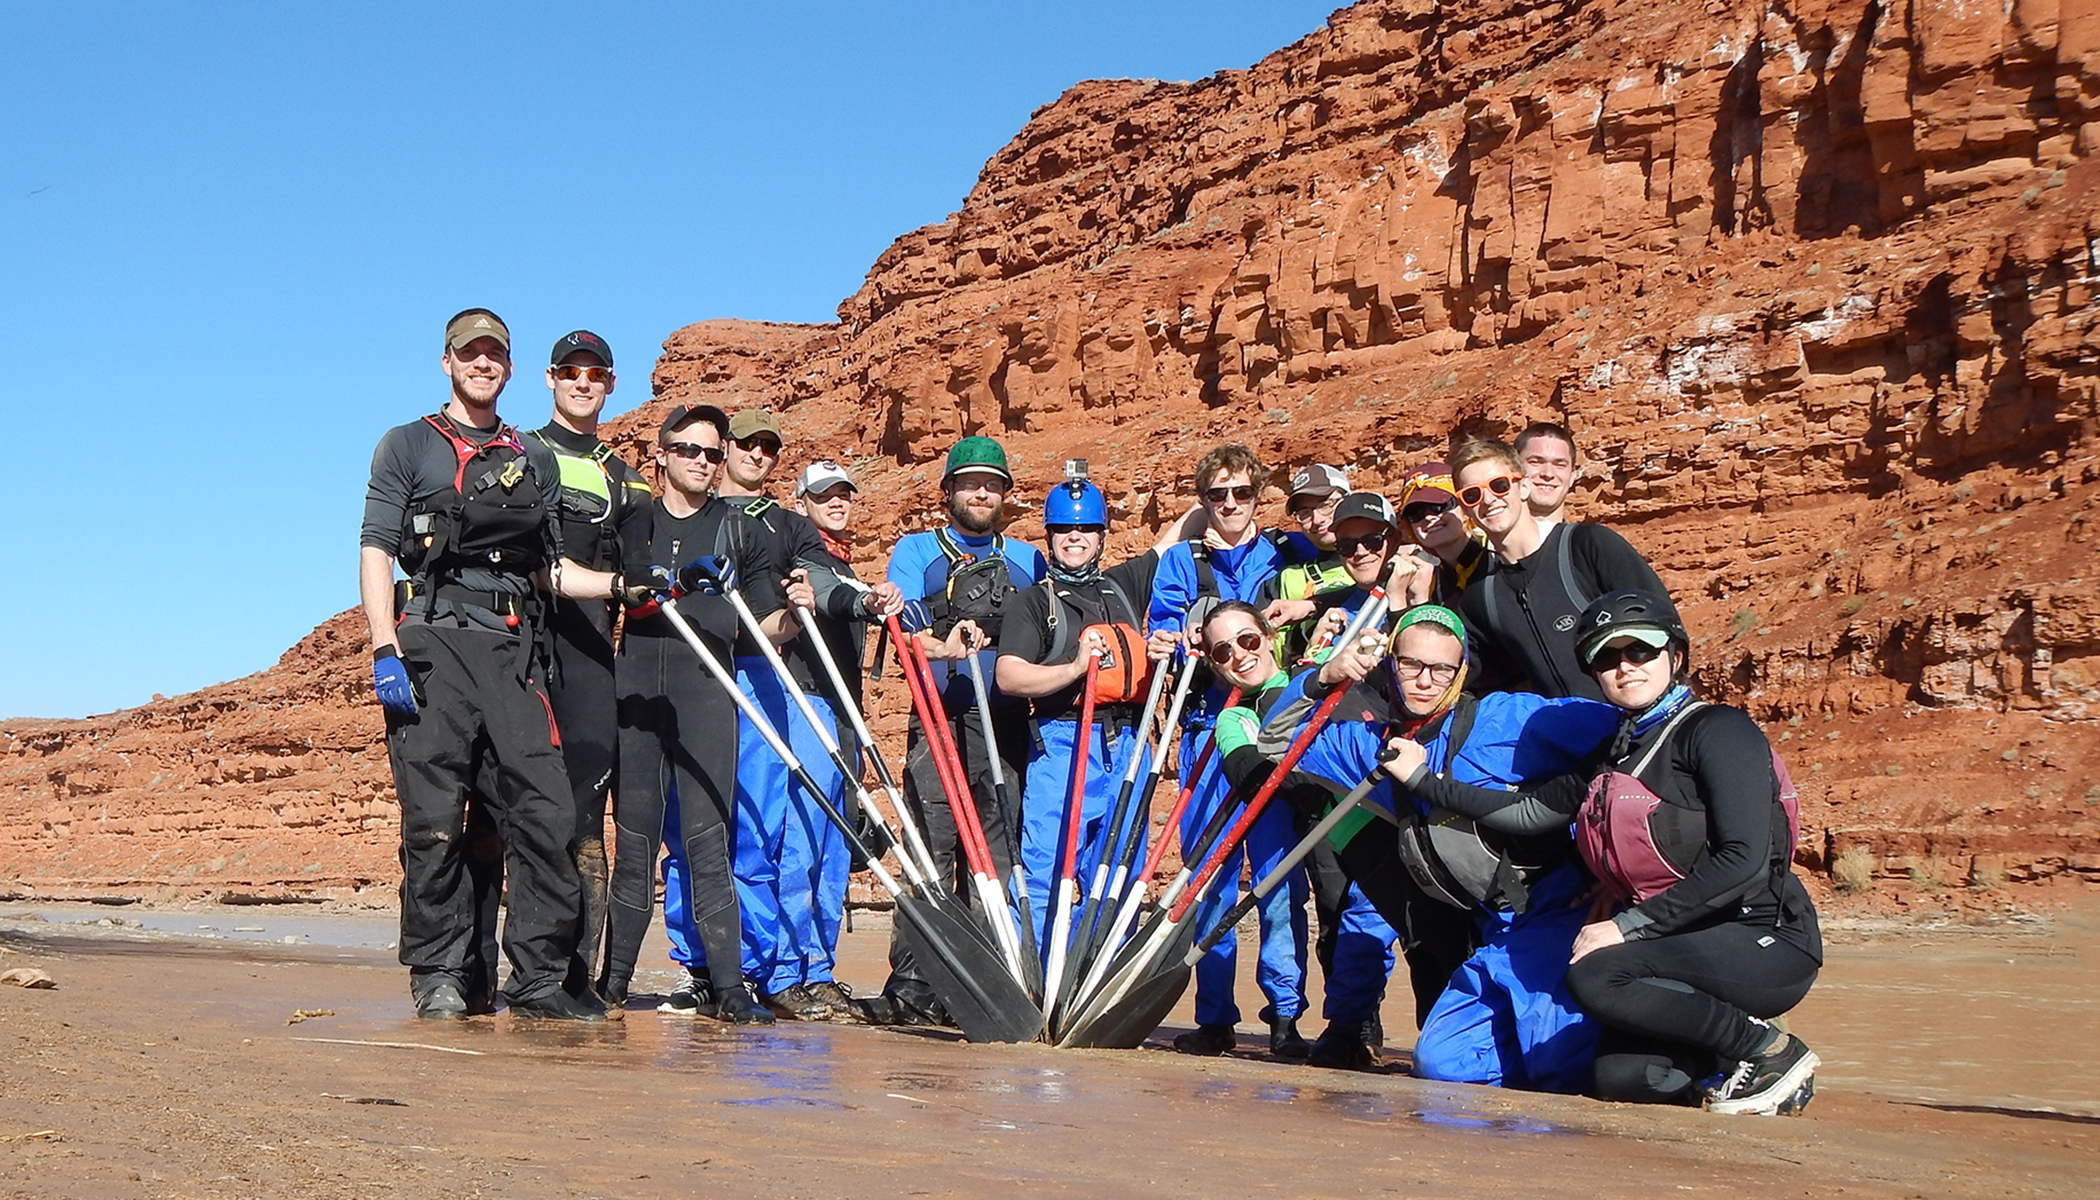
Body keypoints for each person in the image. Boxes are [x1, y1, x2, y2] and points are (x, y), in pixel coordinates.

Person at [1385, 591, 1823, 1113]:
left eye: (1640, 650)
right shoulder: (1616, 748)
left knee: (1596, 973)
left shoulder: (1718, 731)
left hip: (1761, 937)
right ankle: (1721, 1051)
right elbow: (1527, 813)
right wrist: (1423, 781)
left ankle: (1770, 1049)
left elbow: (1744, 860)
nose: (1625, 665)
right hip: (1676, 942)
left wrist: (1625, 926)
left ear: (1674, 656)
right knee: (1623, 1078)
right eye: (1607, 656)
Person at [359, 308, 625, 1022]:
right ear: (447, 362)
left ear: (507, 369)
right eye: (470, 354)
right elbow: (377, 547)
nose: (483, 364)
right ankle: (440, 973)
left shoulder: (530, 457)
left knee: (544, 811)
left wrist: (622, 588)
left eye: (494, 356)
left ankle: (537, 978)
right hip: (431, 642)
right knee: (436, 818)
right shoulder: (407, 444)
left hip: (512, 648)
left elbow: (551, 572)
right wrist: (384, 645)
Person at [1303, 605, 1619, 1092]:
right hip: (1494, 929)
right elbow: (1281, 739)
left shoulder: (1508, 719)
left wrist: (1612, 865)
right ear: (1391, 666)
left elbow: (1634, 731)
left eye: (1441, 669)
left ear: (1461, 672)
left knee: (1558, 1066)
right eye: (1411, 665)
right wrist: (1321, 676)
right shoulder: (1372, 746)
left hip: (1557, 911)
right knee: (1441, 1063)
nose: (1425, 681)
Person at [1264, 492, 1467, 1069]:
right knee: (1342, 905)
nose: (1359, 551)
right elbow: (1296, 701)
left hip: (1419, 778)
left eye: (1371, 541)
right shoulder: (1337, 610)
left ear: (1393, 540)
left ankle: (1433, 1033)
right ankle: (1353, 1023)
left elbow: (1431, 664)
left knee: (1410, 915)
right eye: (1347, 543)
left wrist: (1406, 606)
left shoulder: (1428, 593)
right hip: (1343, 775)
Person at [597, 403, 781, 1026]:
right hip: (638, 699)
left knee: (708, 843)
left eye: (711, 451)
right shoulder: (636, 519)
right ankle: (612, 983)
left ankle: (728, 987)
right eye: (688, 450)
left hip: (706, 698)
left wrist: (805, 608)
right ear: (663, 456)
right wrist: (672, 582)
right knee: (636, 845)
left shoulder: (738, 528)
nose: (701, 461)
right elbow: (618, 589)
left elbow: (765, 626)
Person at [663, 407, 843, 1021]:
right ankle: (697, 963)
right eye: (747, 444)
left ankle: (756, 967)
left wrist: (802, 610)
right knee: (692, 829)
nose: (758, 455)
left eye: (771, 447)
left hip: (758, 675)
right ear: (721, 448)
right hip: (688, 675)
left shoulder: (788, 525)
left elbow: (816, 576)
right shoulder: (686, 516)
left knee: (760, 833)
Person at [862, 436, 1045, 1025]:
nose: (981, 492)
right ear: (947, 492)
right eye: (968, 483)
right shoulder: (916, 551)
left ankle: (984, 981)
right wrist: (945, 645)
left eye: (992, 483)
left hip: (1006, 723)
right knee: (933, 848)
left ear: (1005, 495)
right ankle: (915, 984)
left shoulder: (1028, 559)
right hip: (938, 720)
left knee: (995, 851)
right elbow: (904, 626)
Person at [1146, 445, 1307, 1057]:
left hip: (1275, 727)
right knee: (1208, 877)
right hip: (1207, 734)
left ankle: (1285, 1018)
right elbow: (1162, 621)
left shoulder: (1289, 555)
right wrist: (1173, 633)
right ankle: (1214, 1017)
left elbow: (1358, 568)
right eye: (1218, 495)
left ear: (1257, 495)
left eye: (1242, 493)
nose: (1231, 505)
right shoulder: (1183, 564)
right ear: (1205, 500)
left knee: (1277, 879)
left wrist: (1308, 606)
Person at [525, 330, 652, 996]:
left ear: (609, 384)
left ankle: (577, 978)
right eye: (569, 371)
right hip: (519, 651)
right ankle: (479, 975)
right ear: (549, 379)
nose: (582, 382)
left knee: (583, 818)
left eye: (594, 373)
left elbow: (647, 574)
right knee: (505, 812)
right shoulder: (519, 452)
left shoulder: (623, 476)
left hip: (590, 661)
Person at [993, 475, 1164, 953]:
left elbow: (1178, 536)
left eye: (1087, 528)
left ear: (1101, 535)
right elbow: (1009, 676)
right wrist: (1073, 668)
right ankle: (1038, 974)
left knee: (1117, 871)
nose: (1076, 537)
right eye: (1065, 529)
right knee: (1050, 865)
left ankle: (1098, 972)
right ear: (1048, 535)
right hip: (1064, 742)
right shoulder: (1032, 603)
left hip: (1127, 745)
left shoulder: (1123, 586)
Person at [779, 460, 905, 1017]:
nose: (836, 502)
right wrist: (865, 603)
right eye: (824, 495)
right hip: (808, 706)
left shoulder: (845, 562)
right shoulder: (803, 558)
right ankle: (787, 970)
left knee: (834, 847)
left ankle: (817, 967)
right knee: (804, 841)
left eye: (843, 495)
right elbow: (828, 595)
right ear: (801, 500)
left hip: (843, 714)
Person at [1171, 601, 1313, 1058]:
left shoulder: (1303, 686)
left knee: (1278, 892)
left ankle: (1285, 1017)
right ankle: (1214, 1020)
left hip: (1281, 786)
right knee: (1210, 890)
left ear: (1268, 636)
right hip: (1221, 763)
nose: (1240, 655)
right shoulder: (1229, 713)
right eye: (1223, 651)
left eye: (1249, 640)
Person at [1448, 437, 1675, 701]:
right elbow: (1454, 676)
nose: (1488, 500)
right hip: (1570, 737)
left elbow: (1666, 625)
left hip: (1645, 723)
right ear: (1465, 507)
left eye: (1499, 486)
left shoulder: (1586, 546)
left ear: (1523, 487)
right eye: (1472, 494)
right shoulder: (1481, 596)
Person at [1393, 461, 1490, 609]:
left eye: (1440, 506)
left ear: (1465, 507)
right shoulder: (1426, 582)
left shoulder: (1497, 558)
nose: (1428, 517)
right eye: (1416, 513)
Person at [1514, 422, 1579, 529]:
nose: (1548, 474)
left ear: (1572, 476)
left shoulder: (1586, 543)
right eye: (1535, 462)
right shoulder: (1485, 542)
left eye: (1560, 465)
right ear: (1514, 468)